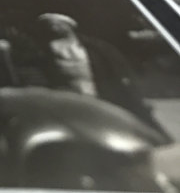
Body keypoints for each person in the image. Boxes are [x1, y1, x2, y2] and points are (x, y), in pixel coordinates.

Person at [35, 13, 168, 138]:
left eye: (58, 23)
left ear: (69, 25)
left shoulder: (96, 47)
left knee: (127, 126)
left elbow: (120, 69)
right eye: (50, 25)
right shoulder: (45, 52)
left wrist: (134, 93)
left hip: (104, 93)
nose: (54, 27)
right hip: (74, 98)